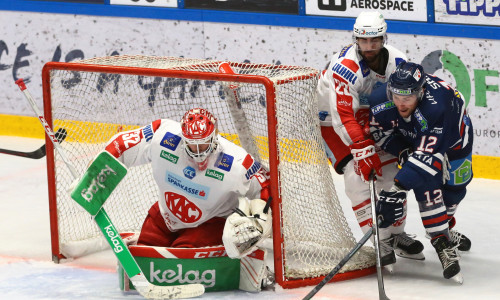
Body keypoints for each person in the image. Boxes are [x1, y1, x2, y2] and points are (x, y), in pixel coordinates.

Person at [102, 108, 273, 291]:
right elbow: (123, 143)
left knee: (182, 254)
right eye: (192, 144)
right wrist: (97, 170)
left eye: (204, 143)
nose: (198, 151)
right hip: (165, 215)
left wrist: (261, 218)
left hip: (209, 222)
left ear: (214, 136)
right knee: (143, 256)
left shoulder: (236, 162)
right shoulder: (162, 134)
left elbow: (265, 185)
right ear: (183, 137)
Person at [316, 10, 423, 267]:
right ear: (356, 40)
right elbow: (342, 116)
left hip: (371, 115)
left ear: (383, 38)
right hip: (332, 121)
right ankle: (377, 239)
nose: (369, 46)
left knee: (390, 174)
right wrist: (362, 149)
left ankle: (395, 235)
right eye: (363, 41)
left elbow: (401, 101)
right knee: (357, 176)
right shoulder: (345, 67)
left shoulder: (398, 60)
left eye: (374, 40)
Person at [369, 62, 473, 283]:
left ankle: (445, 225)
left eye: (407, 97)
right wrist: (402, 149)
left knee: (455, 191)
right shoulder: (381, 100)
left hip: (455, 140)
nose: (400, 103)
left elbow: (428, 155)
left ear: (421, 92)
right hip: (416, 138)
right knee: (428, 187)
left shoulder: (438, 107)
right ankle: (441, 240)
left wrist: (396, 190)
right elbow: (379, 132)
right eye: (396, 95)